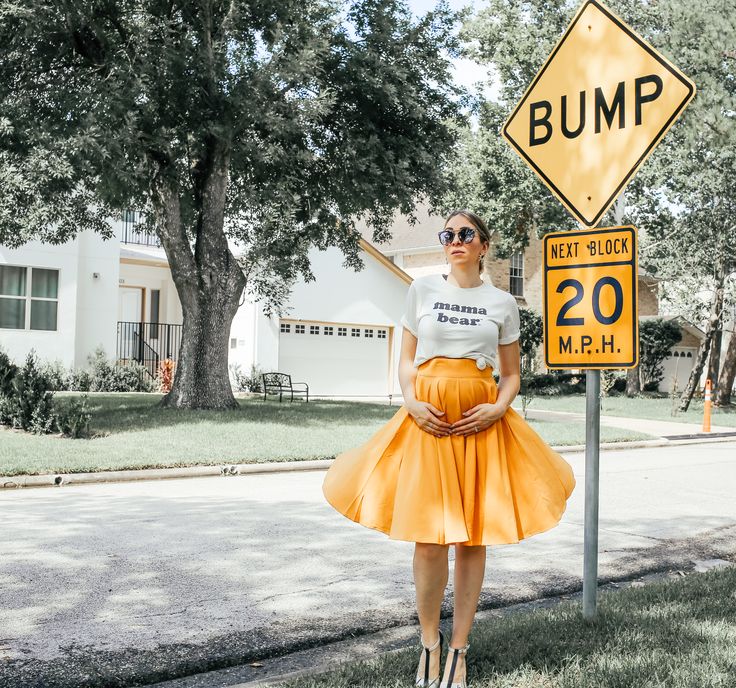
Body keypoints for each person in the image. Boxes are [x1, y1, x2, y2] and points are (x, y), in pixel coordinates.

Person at [322, 209, 576, 688]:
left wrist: (499, 408)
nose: (454, 240)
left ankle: (460, 648)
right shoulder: (421, 290)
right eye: (448, 235)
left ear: (483, 245)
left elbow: (512, 374)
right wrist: (413, 403)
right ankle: (429, 645)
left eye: (465, 234)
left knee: (472, 537)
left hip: (480, 422)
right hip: (429, 421)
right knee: (429, 537)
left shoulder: (502, 302)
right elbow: (405, 360)